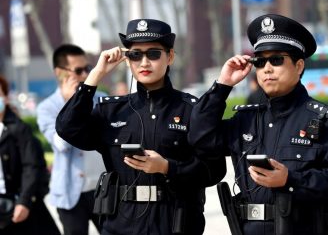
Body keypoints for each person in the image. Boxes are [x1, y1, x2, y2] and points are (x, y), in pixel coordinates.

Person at [55, 19, 225, 235]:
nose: (144, 62)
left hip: (174, 222)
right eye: (135, 55)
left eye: (153, 54)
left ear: (170, 56)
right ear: (127, 60)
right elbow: (67, 128)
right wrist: (95, 76)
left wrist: (167, 167)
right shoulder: (112, 111)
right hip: (122, 224)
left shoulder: (191, 110)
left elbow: (213, 170)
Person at [188, 14, 328, 235]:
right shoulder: (245, 120)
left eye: (276, 60)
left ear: (299, 65)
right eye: (260, 61)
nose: (267, 68)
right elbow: (200, 138)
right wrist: (222, 85)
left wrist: (290, 180)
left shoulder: (326, 120)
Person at [36, 44, 106, 235]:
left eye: (88, 69)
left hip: (103, 189)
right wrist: (71, 105)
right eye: (78, 70)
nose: (85, 75)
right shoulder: (47, 108)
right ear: (60, 73)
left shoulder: (101, 99)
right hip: (69, 194)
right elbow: (61, 145)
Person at [0, 75, 60, 235]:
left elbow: (31, 166)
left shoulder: (19, 129)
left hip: (20, 203)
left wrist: (25, 201)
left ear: (5, 97)